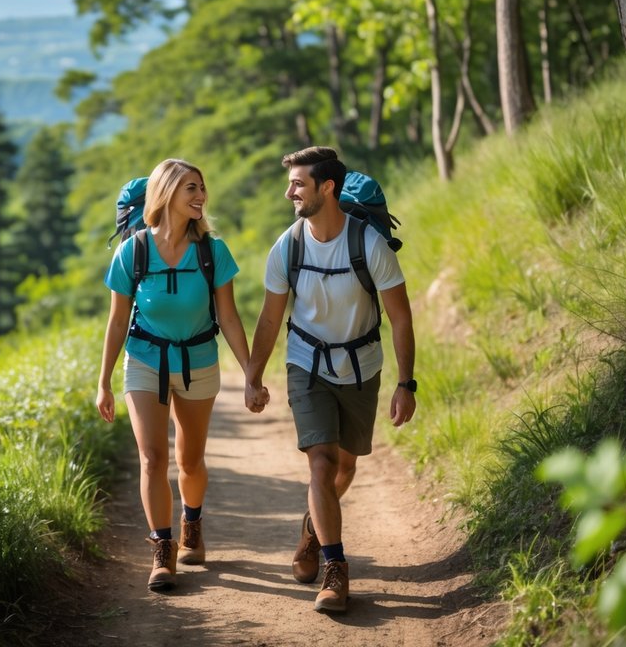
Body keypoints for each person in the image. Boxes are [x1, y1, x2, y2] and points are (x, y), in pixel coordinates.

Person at [243, 146, 416, 614]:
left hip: (362, 365)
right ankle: (335, 568)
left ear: (327, 188)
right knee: (320, 461)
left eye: (297, 184)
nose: (289, 192)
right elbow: (270, 318)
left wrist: (407, 382)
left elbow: (400, 317)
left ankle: (312, 526)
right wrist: (253, 376)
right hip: (307, 363)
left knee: (345, 467)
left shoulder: (369, 244)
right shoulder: (288, 246)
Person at [97, 158, 252, 593]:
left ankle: (192, 521)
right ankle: (162, 549)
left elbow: (230, 317)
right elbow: (116, 321)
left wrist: (251, 373)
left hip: (198, 360)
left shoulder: (212, 252)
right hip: (144, 360)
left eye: (202, 187)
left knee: (189, 460)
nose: (201, 195)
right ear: (167, 194)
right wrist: (103, 382)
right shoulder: (133, 250)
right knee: (152, 458)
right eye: (191, 188)